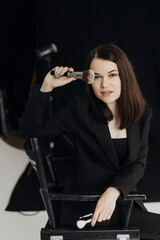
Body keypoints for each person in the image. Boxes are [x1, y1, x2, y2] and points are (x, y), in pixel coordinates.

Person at [20, 43, 160, 239]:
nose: (105, 85)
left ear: (125, 76)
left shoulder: (142, 115)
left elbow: (138, 164)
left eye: (112, 75)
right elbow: (30, 129)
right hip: (83, 207)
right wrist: (46, 87)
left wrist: (113, 192)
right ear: (88, 80)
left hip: (120, 204)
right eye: (97, 77)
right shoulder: (80, 110)